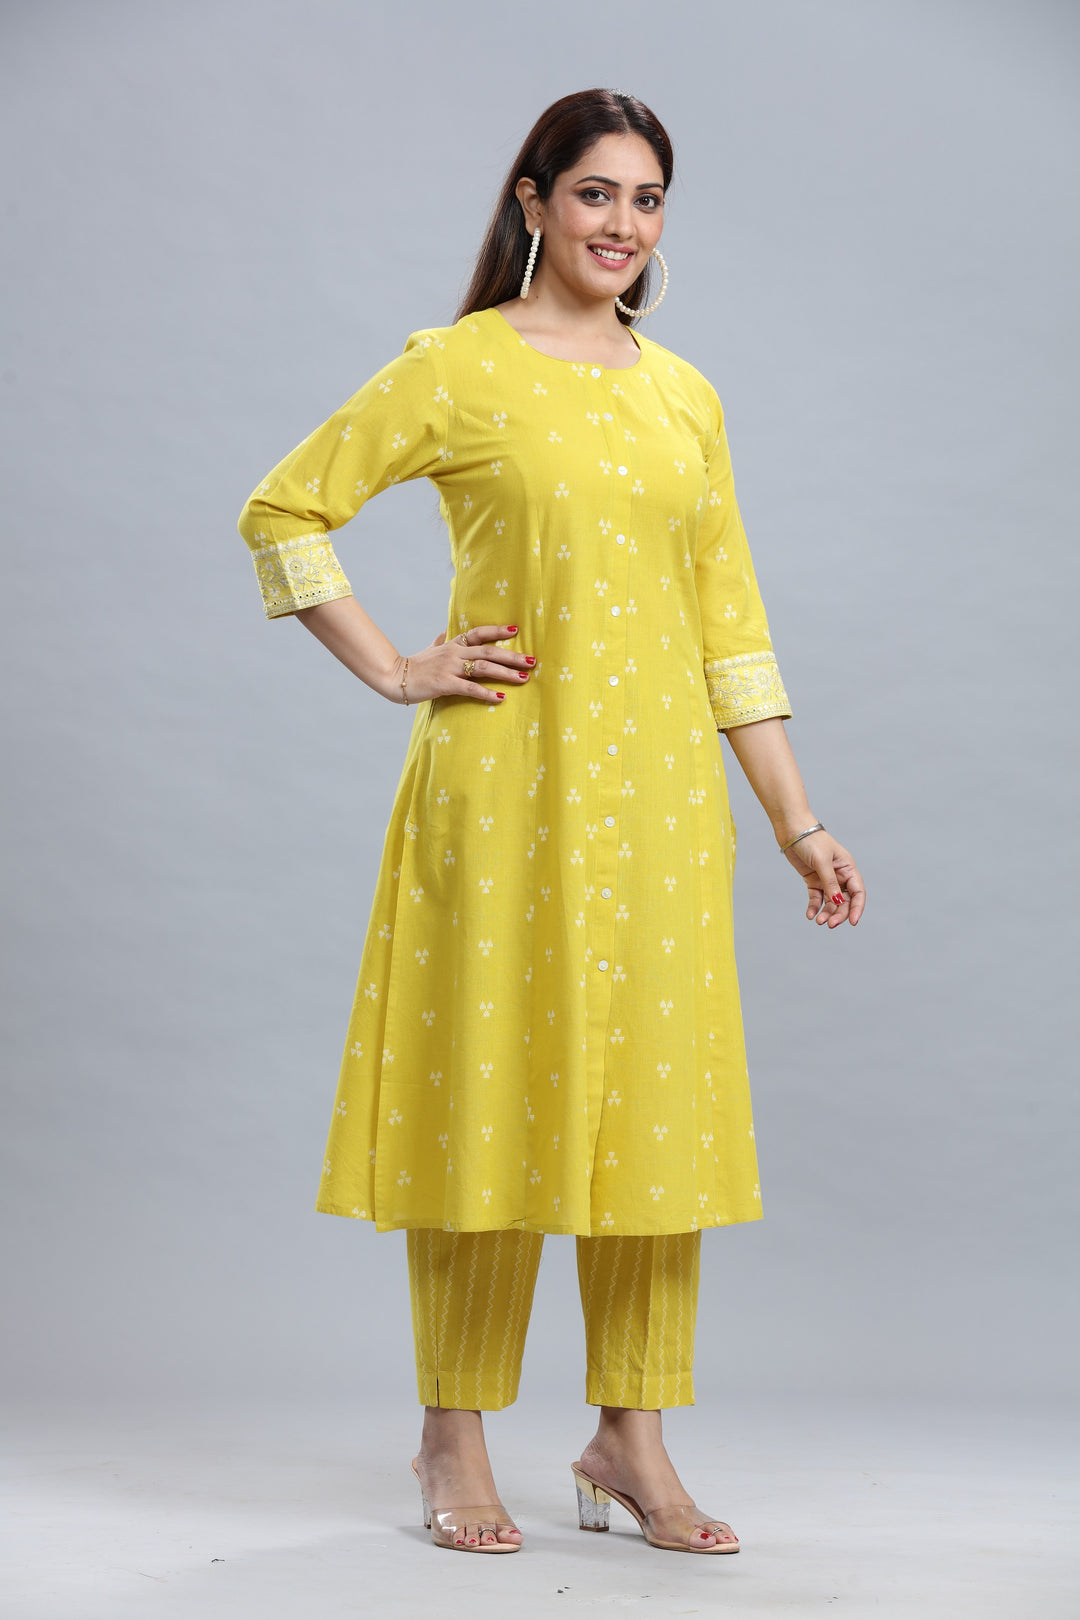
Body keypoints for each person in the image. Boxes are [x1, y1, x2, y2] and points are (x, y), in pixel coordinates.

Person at [236, 86, 866, 1557]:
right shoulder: (457, 366)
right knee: (488, 1100)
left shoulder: (685, 394)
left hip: (660, 813)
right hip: (503, 798)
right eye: (595, 194)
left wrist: (796, 820)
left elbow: (730, 628)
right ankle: (450, 1436)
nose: (621, 226)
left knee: (655, 1114)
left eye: (647, 200)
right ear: (532, 202)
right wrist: (400, 668)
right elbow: (283, 511)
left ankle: (630, 1439)